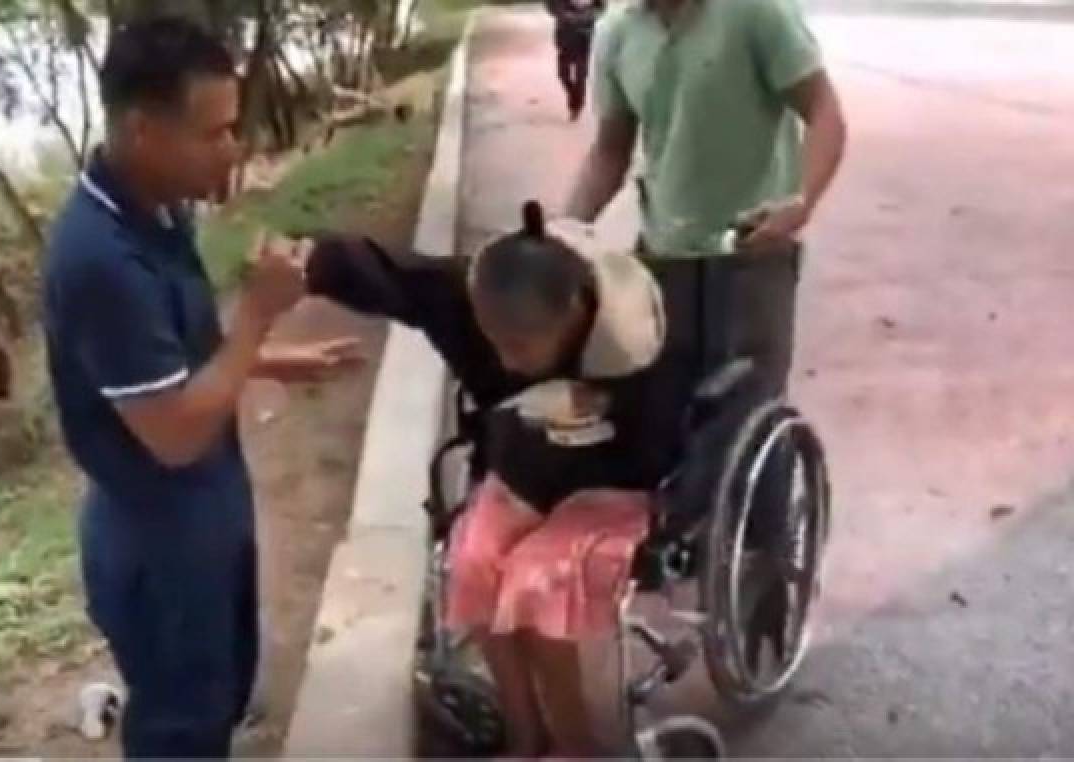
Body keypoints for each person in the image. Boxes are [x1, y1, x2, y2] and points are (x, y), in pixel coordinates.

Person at [266, 201, 699, 757]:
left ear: (572, 314)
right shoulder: (470, 297)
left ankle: (577, 747)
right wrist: (308, 261)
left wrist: (592, 414)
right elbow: (393, 275)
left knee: (535, 580)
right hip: (527, 468)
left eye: (518, 348)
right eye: (492, 342)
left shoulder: (635, 340)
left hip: (612, 479)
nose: (503, 360)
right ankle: (525, 733)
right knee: (472, 562)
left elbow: (665, 446)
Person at [42, 18, 360, 758]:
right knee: (181, 727)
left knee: (220, 694)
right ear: (146, 131)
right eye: (214, 133)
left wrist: (274, 359)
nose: (234, 147)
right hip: (159, 536)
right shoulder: (100, 262)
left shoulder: (159, 210)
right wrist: (258, 313)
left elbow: (183, 358)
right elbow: (177, 432)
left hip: (207, 509)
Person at [565, 0, 846, 625]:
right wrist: (565, 227)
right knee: (660, 405)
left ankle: (767, 585)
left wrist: (799, 203)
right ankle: (689, 542)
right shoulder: (616, 33)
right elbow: (611, 149)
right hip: (664, 256)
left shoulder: (755, 14)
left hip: (753, 254)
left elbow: (824, 114)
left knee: (750, 415)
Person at [544, 0, 606, 120]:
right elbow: (552, 7)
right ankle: (573, 95)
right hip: (565, 39)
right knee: (563, 75)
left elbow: (601, 9)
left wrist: (585, 17)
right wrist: (563, 15)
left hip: (585, 39)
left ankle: (577, 106)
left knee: (580, 76)